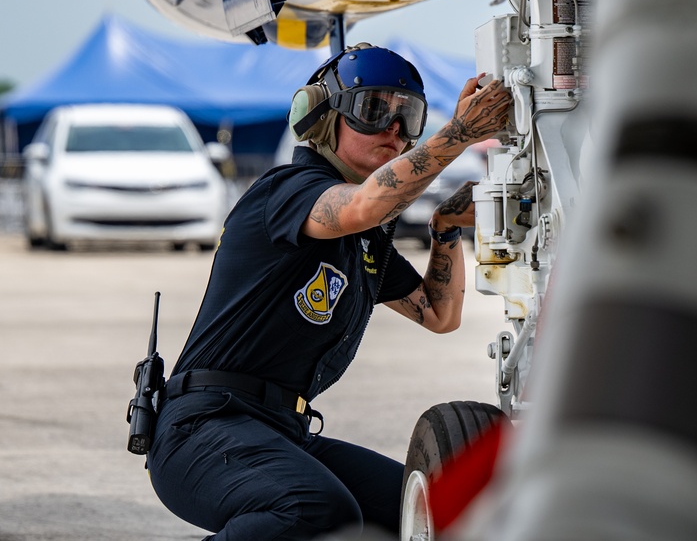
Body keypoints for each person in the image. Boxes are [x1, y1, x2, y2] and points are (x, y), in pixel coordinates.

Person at [145, 43, 511, 540]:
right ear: (321, 117)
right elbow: (364, 205)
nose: (394, 130)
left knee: (432, 510)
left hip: (279, 430)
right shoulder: (288, 191)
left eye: (408, 116)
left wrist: (445, 229)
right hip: (204, 427)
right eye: (374, 109)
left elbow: (438, 314)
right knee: (315, 509)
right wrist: (460, 133)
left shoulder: (363, 243)